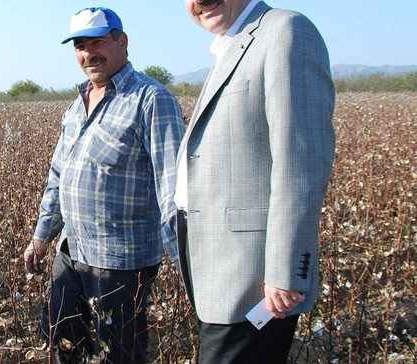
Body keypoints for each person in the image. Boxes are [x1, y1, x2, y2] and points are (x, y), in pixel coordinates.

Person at [175, 1, 336, 363]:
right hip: (217, 262)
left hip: (255, 277)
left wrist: (286, 270)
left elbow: (302, 161)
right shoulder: (230, 45)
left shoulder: (286, 31)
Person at [24, 7, 185, 364]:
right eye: (80, 45)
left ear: (121, 41)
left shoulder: (151, 100)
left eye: (97, 41)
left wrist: (187, 263)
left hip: (121, 260)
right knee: (61, 341)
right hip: (71, 250)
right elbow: (58, 176)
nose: (87, 53)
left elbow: (175, 187)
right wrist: (41, 237)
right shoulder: (76, 105)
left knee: (118, 354)